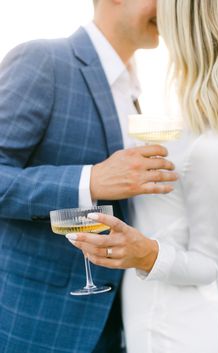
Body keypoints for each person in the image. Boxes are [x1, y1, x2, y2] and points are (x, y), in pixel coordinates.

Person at [0, 1, 178, 352]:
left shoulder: (134, 91)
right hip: (36, 323)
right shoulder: (43, 60)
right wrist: (91, 180)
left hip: (115, 328)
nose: (169, 8)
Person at [67, 0, 218, 352]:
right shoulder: (180, 122)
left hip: (174, 329)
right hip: (145, 317)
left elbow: (208, 265)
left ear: (184, 32)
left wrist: (143, 253)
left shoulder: (211, 144)